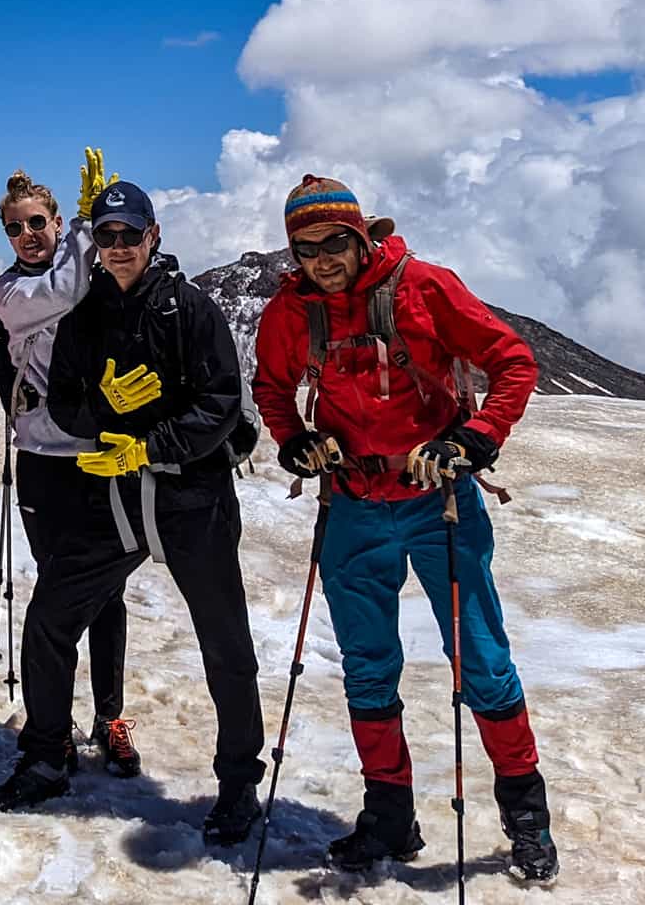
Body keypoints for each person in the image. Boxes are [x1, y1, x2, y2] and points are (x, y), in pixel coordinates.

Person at [251, 175, 559, 885]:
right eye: (307, 247)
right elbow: (272, 387)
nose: (323, 259)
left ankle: (526, 817)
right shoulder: (292, 312)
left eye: (336, 242)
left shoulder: (425, 286)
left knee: (479, 659)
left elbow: (513, 360)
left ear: (362, 237)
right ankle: (390, 817)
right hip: (353, 500)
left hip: (437, 499)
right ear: (293, 252)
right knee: (367, 665)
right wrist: (293, 440)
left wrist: (478, 439)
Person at [0, 180, 266, 848]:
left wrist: (152, 443)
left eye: (128, 236)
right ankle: (46, 754)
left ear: (152, 235)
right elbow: (67, 404)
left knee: (225, 644)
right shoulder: (86, 315)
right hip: (113, 499)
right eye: (105, 237)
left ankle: (237, 787)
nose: (116, 248)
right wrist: (108, 414)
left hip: (191, 498)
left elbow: (221, 401)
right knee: (51, 618)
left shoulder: (190, 308)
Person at [0, 150, 145, 780]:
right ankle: (54, 718)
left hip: (101, 455)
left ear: (52, 222)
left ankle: (110, 716)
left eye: (37, 224)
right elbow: (66, 289)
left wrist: (93, 228)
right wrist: (84, 226)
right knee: (57, 591)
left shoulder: (90, 268)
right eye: (15, 228)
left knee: (106, 593)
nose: (27, 236)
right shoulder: (10, 290)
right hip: (44, 460)